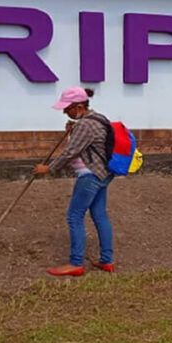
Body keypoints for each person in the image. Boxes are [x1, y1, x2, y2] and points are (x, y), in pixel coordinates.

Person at [33, 86, 116, 277]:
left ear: (79, 107)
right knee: (100, 215)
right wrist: (72, 131)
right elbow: (85, 145)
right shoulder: (98, 118)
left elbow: (71, 152)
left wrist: (49, 168)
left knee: (74, 216)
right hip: (102, 174)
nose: (65, 112)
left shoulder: (85, 125)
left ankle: (76, 263)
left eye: (67, 108)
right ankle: (107, 260)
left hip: (90, 176)